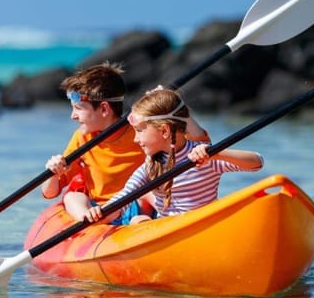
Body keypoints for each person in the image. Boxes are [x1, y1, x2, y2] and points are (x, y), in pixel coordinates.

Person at [41, 62, 208, 225]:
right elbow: (50, 193)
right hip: (100, 210)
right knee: (72, 197)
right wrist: (53, 173)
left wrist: (175, 108)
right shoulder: (81, 138)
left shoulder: (140, 132)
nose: (73, 116)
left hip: (137, 206)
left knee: (147, 195)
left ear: (104, 109)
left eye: (78, 108)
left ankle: (142, 225)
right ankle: (88, 223)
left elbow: (201, 146)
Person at [80, 88, 263, 224]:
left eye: (140, 131)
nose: (136, 139)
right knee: (138, 221)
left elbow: (257, 163)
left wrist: (216, 153)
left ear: (165, 130)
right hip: (168, 229)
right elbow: (123, 198)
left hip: (202, 226)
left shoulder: (204, 156)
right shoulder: (150, 165)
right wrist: (98, 213)